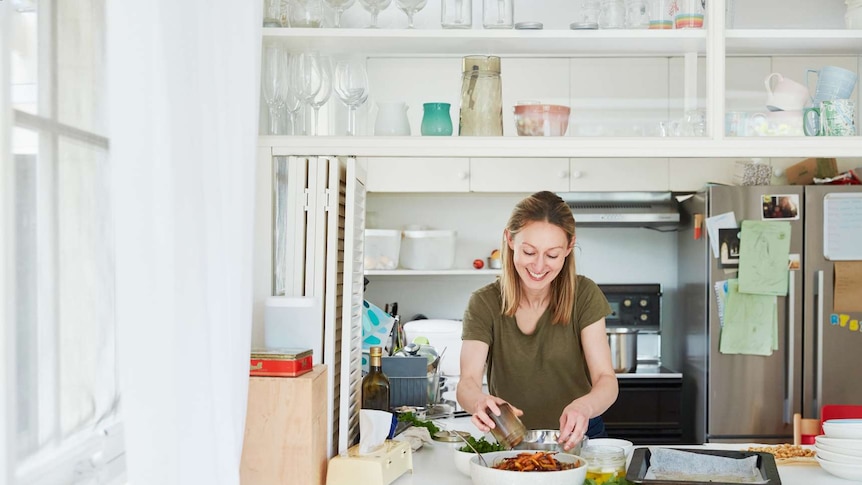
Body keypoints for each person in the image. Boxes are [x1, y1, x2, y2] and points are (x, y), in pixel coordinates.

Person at [456, 191, 618, 452]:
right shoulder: (484, 303)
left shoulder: (584, 294)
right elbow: (468, 382)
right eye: (529, 252)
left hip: (581, 437)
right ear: (509, 240)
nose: (539, 266)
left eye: (552, 255)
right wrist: (478, 402)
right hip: (512, 441)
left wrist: (584, 406)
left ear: (569, 247)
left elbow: (605, 379)